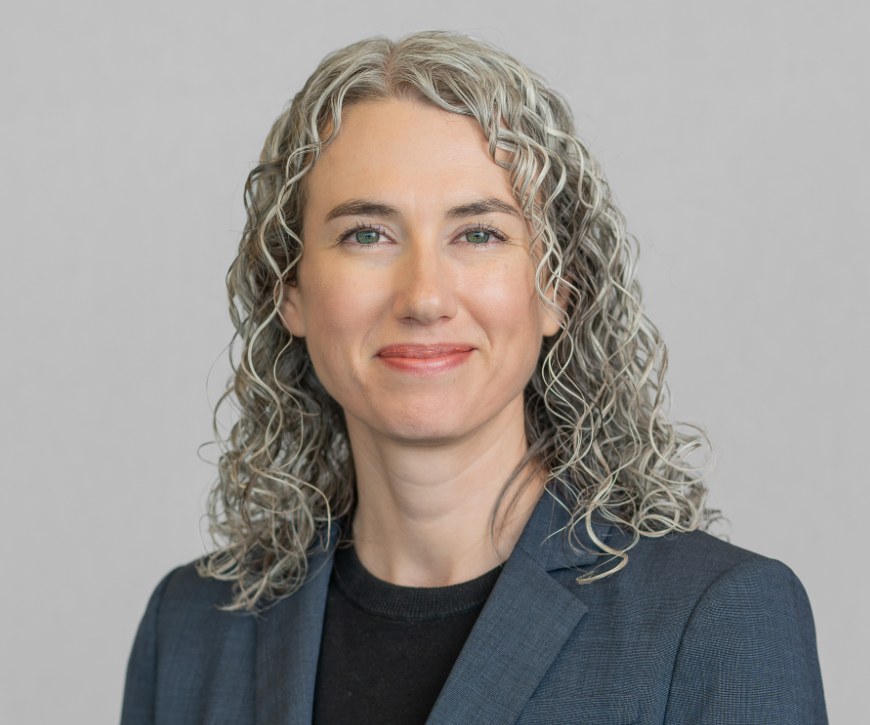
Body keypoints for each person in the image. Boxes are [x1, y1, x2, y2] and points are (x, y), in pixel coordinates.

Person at [120, 30, 827, 724]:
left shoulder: (714, 619)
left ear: (556, 288)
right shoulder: (188, 628)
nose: (424, 298)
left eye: (479, 233)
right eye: (367, 234)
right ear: (291, 290)